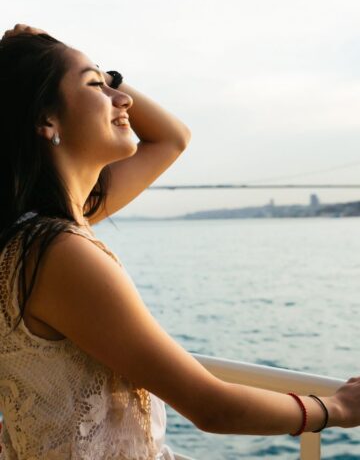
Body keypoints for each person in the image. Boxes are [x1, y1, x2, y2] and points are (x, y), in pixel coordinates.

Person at [0, 24, 359, 460]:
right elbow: (212, 408)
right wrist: (336, 408)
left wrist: (72, 61)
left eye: (113, 82)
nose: (123, 97)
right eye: (97, 85)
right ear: (45, 119)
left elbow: (172, 137)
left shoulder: (36, 231)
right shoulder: (60, 252)